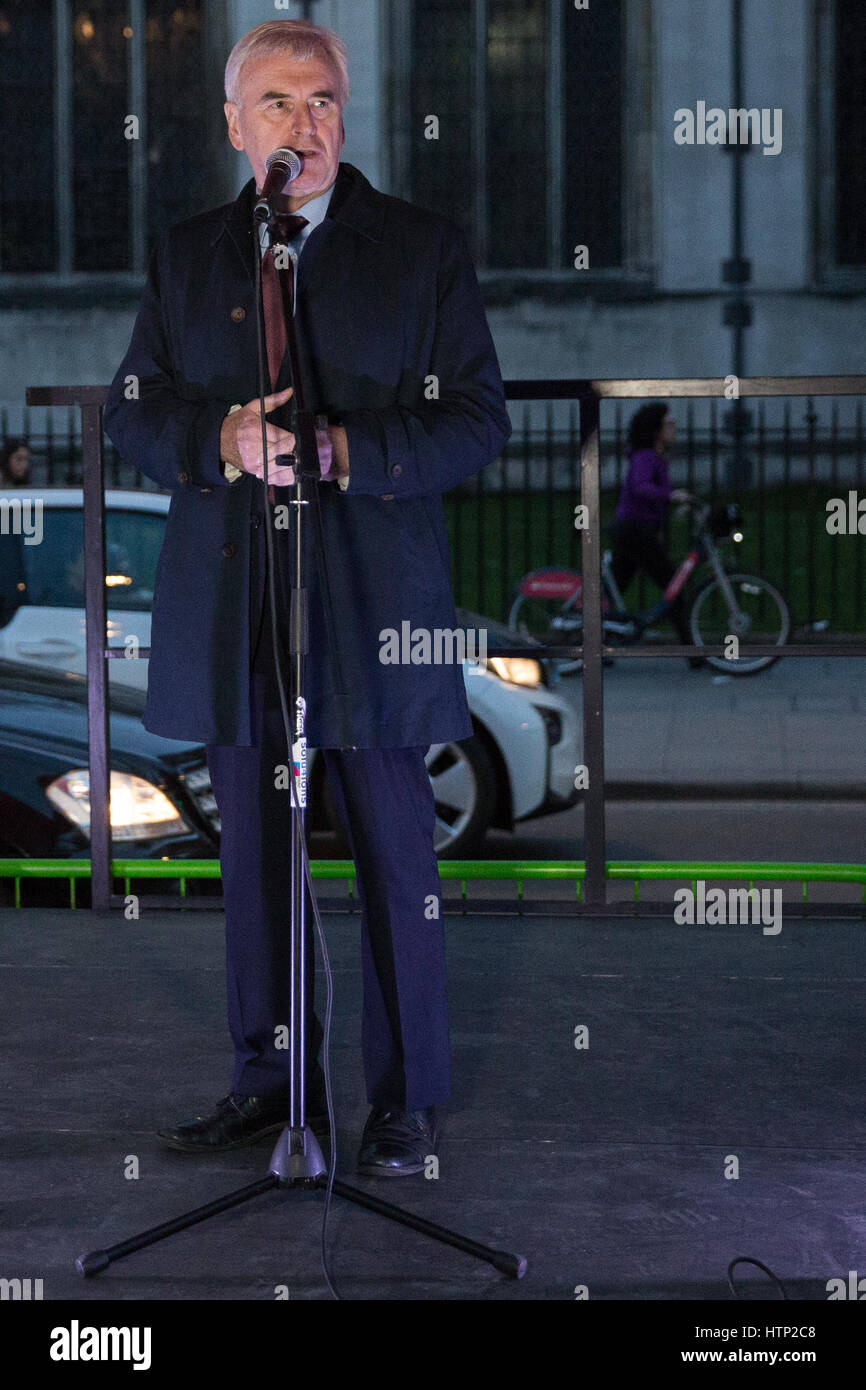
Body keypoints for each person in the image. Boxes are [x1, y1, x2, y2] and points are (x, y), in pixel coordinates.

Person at [103, 19, 512, 1176]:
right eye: (278, 104)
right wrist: (219, 435)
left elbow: (476, 418)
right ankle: (270, 1083)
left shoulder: (419, 247)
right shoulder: (189, 256)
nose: (305, 124)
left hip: (374, 609)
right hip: (240, 614)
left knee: (396, 865)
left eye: (323, 101)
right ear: (236, 126)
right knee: (256, 874)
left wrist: (342, 453)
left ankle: (402, 1101)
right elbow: (131, 410)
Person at [610, 403, 701, 668]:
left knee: (613, 588)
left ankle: (599, 639)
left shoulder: (654, 457)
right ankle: (693, 653)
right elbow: (641, 487)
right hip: (635, 531)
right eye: (668, 424)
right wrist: (671, 496)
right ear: (656, 430)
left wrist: (673, 504)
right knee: (673, 587)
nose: (674, 427)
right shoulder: (645, 456)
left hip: (636, 529)